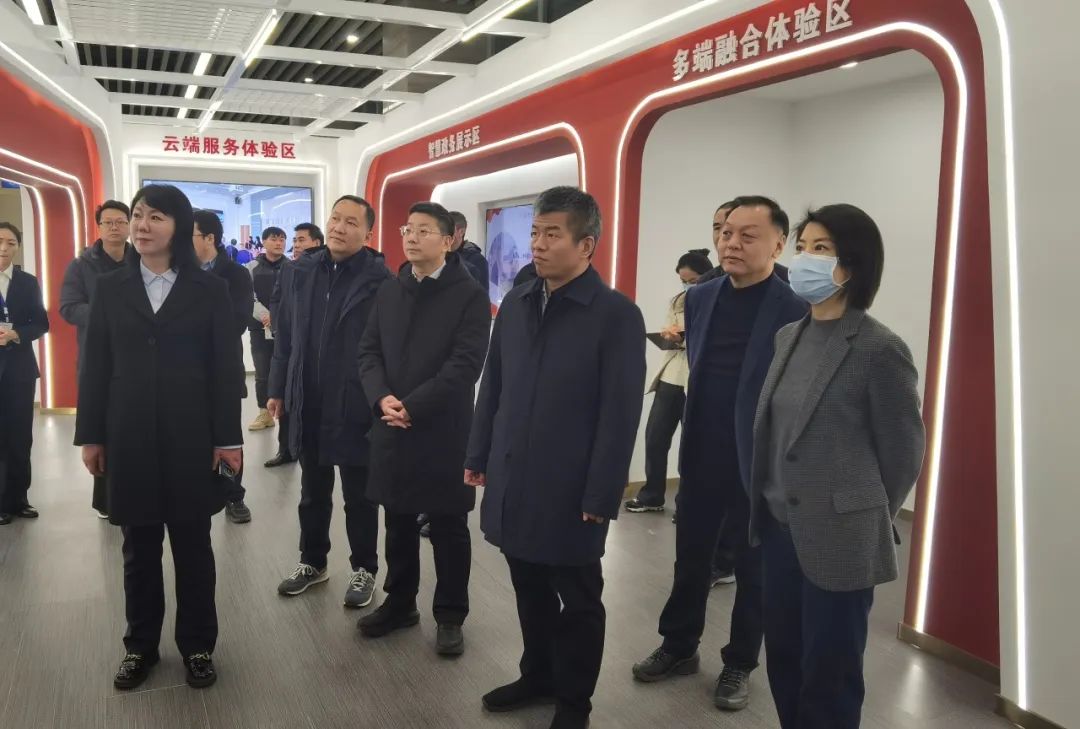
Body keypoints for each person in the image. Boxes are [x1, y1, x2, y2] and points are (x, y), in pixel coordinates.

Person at [466, 186, 646, 729]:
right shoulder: (518, 303)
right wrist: (479, 452)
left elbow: (620, 414)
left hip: (571, 485)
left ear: (586, 245)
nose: (538, 245)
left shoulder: (615, 315)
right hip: (515, 472)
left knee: (580, 599)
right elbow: (493, 385)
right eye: (535, 233)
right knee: (528, 586)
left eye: (552, 234)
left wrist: (602, 492)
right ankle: (537, 675)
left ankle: (574, 703)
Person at [751, 204, 925, 729]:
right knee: (784, 660)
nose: (806, 258)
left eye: (821, 249)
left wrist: (862, 513)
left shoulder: (880, 348)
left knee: (830, 674)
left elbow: (903, 452)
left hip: (841, 535)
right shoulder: (788, 336)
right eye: (803, 247)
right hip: (777, 529)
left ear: (853, 264)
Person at [632, 196, 807, 713]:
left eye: (747, 235)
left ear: (778, 244)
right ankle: (679, 645)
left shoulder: (796, 308)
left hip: (760, 460)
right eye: (726, 233)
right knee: (691, 557)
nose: (731, 243)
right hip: (704, 449)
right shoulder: (702, 297)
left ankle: (740, 662)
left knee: (754, 568)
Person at [74, 185, 244, 690]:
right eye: (138, 215)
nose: (142, 225)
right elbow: (95, 366)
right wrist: (91, 435)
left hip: (192, 435)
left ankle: (197, 645)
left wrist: (228, 438)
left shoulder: (209, 290)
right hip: (127, 435)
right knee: (138, 548)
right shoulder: (110, 288)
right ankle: (140, 646)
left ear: (180, 226)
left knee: (194, 548)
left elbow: (225, 368)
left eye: (156, 217)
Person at [356, 201, 490, 655]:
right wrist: (382, 397)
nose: (411, 237)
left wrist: (413, 406)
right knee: (396, 519)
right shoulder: (391, 290)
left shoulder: (469, 295)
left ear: (448, 240)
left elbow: (465, 365)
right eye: (407, 229)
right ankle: (400, 603)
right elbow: (368, 351)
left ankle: (450, 614)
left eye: (424, 230)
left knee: (449, 525)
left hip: (443, 428)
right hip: (391, 423)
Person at [268, 196, 389, 608]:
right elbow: (285, 336)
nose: (339, 227)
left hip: (355, 401)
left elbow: (386, 347)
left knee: (360, 494)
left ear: (368, 233)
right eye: (335, 218)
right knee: (312, 490)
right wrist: (277, 388)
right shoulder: (300, 271)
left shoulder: (380, 280)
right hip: (309, 398)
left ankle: (364, 568)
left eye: (351, 222)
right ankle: (313, 561)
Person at [60, 200, 136, 519]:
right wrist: (105, 314)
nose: (115, 227)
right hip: (99, 358)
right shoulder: (82, 265)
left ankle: (140, 492)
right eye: (108, 222)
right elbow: (68, 307)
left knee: (136, 426)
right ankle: (106, 500)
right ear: (99, 227)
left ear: (129, 225)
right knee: (102, 428)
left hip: (137, 358)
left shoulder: (143, 260)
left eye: (121, 221)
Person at [625, 249, 712, 514]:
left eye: (692, 281)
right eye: (683, 281)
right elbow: (672, 329)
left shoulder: (716, 301)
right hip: (671, 375)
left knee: (692, 445)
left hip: (698, 379)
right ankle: (652, 495)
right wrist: (669, 337)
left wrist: (683, 338)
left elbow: (710, 338)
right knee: (655, 436)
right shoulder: (677, 300)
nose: (687, 286)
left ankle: (688, 504)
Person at [193, 210, 256, 524]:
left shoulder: (235, 274)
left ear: (209, 238)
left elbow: (238, 320)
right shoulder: (180, 271)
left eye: (189, 235)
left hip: (223, 369)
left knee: (228, 434)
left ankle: (233, 495)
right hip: (186, 372)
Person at [0, 222, 49, 526]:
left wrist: (16, 333)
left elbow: (41, 323)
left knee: (20, 437)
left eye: (10, 242)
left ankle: (19, 499)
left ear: (18, 246)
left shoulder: (27, 282)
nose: (4, 248)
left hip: (19, 369)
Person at [265, 223, 325, 468]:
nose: (296, 245)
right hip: (287, 342)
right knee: (286, 400)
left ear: (317, 243)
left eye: (302, 240)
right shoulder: (289, 269)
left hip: (311, 350)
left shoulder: (324, 271)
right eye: (295, 240)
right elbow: (277, 299)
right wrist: (278, 324)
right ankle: (286, 450)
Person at [246, 226, 287, 433]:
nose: (279, 243)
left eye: (282, 239)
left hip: (286, 329)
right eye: (274, 239)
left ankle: (287, 414)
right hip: (259, 328)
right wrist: (266, 316)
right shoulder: (250, 267)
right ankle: (264, 414)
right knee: (262, 372)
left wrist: (278, 317)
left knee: (287, 371)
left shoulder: (292, 267)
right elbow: (247, 296)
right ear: (263, 242)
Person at [448, 210, 489, 290]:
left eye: (448, 229)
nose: (443, 234)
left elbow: (482, 294)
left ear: (461, 232)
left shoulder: (477, 260)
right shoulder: (438, 255)